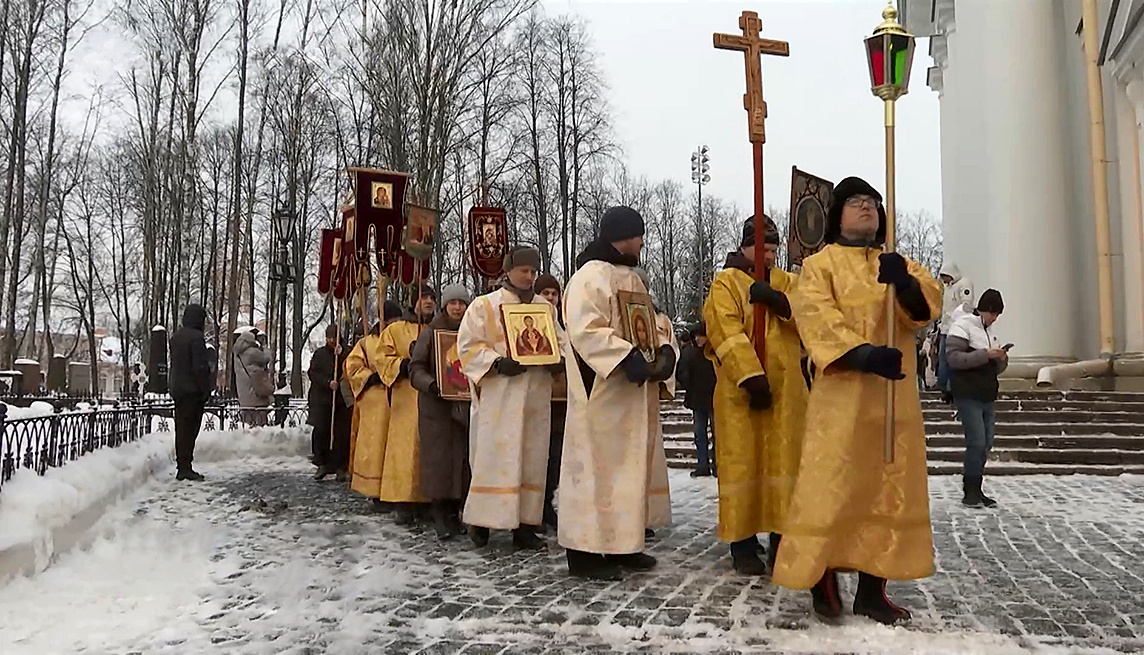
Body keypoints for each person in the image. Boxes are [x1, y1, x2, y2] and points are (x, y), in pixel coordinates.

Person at [772, 177, 941, 625]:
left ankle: (873, 588)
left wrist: (903, 283)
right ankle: (822, 578)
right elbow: (815, 317)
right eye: (855, 202)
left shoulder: (898, 261)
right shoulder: (819, 265)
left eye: (872, 202)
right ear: (838, 214)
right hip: (842, 400)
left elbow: (924, 310)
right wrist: (864, 354)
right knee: (833, 489)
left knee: (887, 491)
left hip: (892, 401)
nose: (866, 208)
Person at [560, 206, 676, 581]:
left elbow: (651, 323)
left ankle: (623, 544)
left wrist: (665, 352)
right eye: (639, 235)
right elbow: (584, 328)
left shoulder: (632, 279)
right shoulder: (589, 277)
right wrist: (627, 358)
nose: (642, 242)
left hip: (631, 396)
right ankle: (584, 553)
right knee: (596, 472)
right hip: (603, 394)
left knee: (627, 473)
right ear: (623, 235)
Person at [703, 215, 808, 575]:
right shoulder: (725, 284)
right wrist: (751, 377)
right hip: (742, 396)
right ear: (745, 246)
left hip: (787, 394)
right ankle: (743, 543)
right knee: (743, 464)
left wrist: (779, 302)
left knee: (785, 463)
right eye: (762, 246)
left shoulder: (789, 282)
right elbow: (725, 332)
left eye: (774, 247)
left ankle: (784, 537)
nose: (769, 253)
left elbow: (812, 321)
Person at [458, 246, 561, 550]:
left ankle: (525, 526)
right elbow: (467, 346)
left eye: (534, 272)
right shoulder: (484, 306)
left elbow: (559, 339)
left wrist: (558, 358)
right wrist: (496, 361)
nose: (530, 277)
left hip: (535, 395)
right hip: (501, 395)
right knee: (494, 458)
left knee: (531, 459)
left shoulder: (545, 308)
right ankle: (482, 522)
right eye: (525, 271)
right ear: (509, 270)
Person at [410, 284, 473, 540]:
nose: (457, 308)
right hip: (436, 409)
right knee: (439, 463)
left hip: (463, 408)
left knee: (461, 464)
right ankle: (439, 514)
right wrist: (433, 384)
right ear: (445, 305)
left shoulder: (472, 332)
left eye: (462, 303)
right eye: (453, 303)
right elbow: (415, 368)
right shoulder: (431, 333)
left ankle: (454, 513)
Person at [376, 285, 437, 525]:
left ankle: (431, 500)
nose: (429, 301)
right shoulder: (395, 330)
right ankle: (403, 501)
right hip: (406, 397)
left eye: (432, 297)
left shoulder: (440, 329)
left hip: (433, 395)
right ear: (414, 302)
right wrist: (402, 365)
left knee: (431, 449)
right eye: (423, 297)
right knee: (404, 449)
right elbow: (382, 358)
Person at [946, 289, 1007, 508]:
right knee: (977, 442)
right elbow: (954, 358)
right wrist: (985, 355)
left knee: (986, 443)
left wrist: (1001, 358)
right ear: (984, 309)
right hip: (967, 393)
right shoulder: (963, 326)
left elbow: (995, 367)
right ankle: (970, 490)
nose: (995, 318)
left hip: (987, 393)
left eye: (997, 315)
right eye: (993, 313)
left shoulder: (991, 332)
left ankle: (976, 488)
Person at [347, 301, 404, 502]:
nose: (395, 324)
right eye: (392, 320)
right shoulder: (366, 343)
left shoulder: (400, 339)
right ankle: (374, 490)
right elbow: (352, 367)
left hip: (399, 400)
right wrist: (371, 377)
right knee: (376, 446)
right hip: (376, 402)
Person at [534, 273, 567, 531]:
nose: (550, 298)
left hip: (561, 402)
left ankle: (548, 502)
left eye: (554, 294)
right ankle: (536, 505)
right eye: (545, 293)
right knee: (538, 455)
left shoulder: (563, 325)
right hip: (539, 400)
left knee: (555, 456)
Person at [168, 304, 213, 481]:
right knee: (191, 429)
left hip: (178, 389)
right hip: (193, 390)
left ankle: (182, 465)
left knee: (181, 428)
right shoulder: (196, 338)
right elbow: (199, 368)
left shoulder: (176, 337)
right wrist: (205, 389)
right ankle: (186, 467)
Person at [310, 324, 352, 481]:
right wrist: (328, 382)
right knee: (322, 432)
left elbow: (351, 368)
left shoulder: (348, 352)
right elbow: (313, 373)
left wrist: (341, 356)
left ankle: (341, 465)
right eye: (329, 338)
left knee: (341, 434)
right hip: (323, 400)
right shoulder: (320, 354)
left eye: (334, 337)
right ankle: (323, 463)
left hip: (341, 401)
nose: (332, 341)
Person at [676, 323, 716, 478]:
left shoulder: (713, 352)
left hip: (712, 398)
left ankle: (716, 464)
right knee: (700, 435)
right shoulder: (690, 353)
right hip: (698, 399)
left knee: (716, 434)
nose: (698, 339)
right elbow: (682, 373)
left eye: (701, 336)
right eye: (696, 336)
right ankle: (703, 465)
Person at [937, 262, 974, 402]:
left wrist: (957, 321)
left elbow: (966, 305)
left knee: (952, 360)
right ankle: (944, 386)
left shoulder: (964, 284)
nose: (944, 280)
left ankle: (951, 388)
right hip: (945, 328)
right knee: (944, 359)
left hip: (957, 329)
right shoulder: (948, 288)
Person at [233, 329, 273, 426]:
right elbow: (267, 358)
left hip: (244, 394)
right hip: (255, 392)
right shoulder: (252, 352)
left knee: (247, 423)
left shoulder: (238, 354)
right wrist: (264, 347)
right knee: (259, 425)